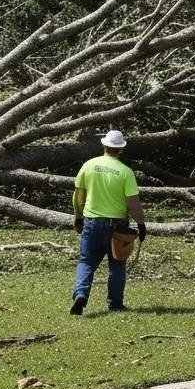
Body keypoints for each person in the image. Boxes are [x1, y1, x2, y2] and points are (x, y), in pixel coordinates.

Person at [70, 130, 147, 315]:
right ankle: (115, 304)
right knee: (117, 264)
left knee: (86, 261)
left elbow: (78, 196)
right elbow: (133, 201)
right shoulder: (125, 172)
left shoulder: (89, 165)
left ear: (104, 146)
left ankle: (81, 295)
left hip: (92, 223)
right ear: (121, 149)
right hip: (117, 226)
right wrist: (141, 224)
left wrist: (78, 216)